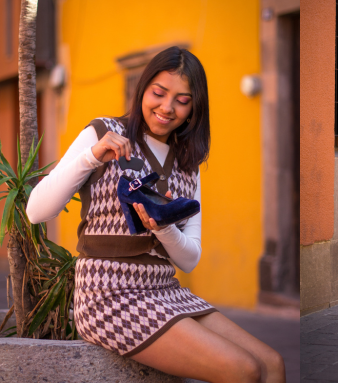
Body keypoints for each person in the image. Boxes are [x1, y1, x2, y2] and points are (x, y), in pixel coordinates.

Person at [26, 46, 285, 383]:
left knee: (273, 363)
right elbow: (36, 211)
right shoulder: (102, 132)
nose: (167, 108)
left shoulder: (187, 163)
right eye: (159, 93)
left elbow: (190, 259)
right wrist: (92, 157)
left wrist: (163, 228)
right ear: (143, 89)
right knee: (244, 370)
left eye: (182, 99)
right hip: (108, 296)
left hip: (165, 289)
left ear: (194, 107)